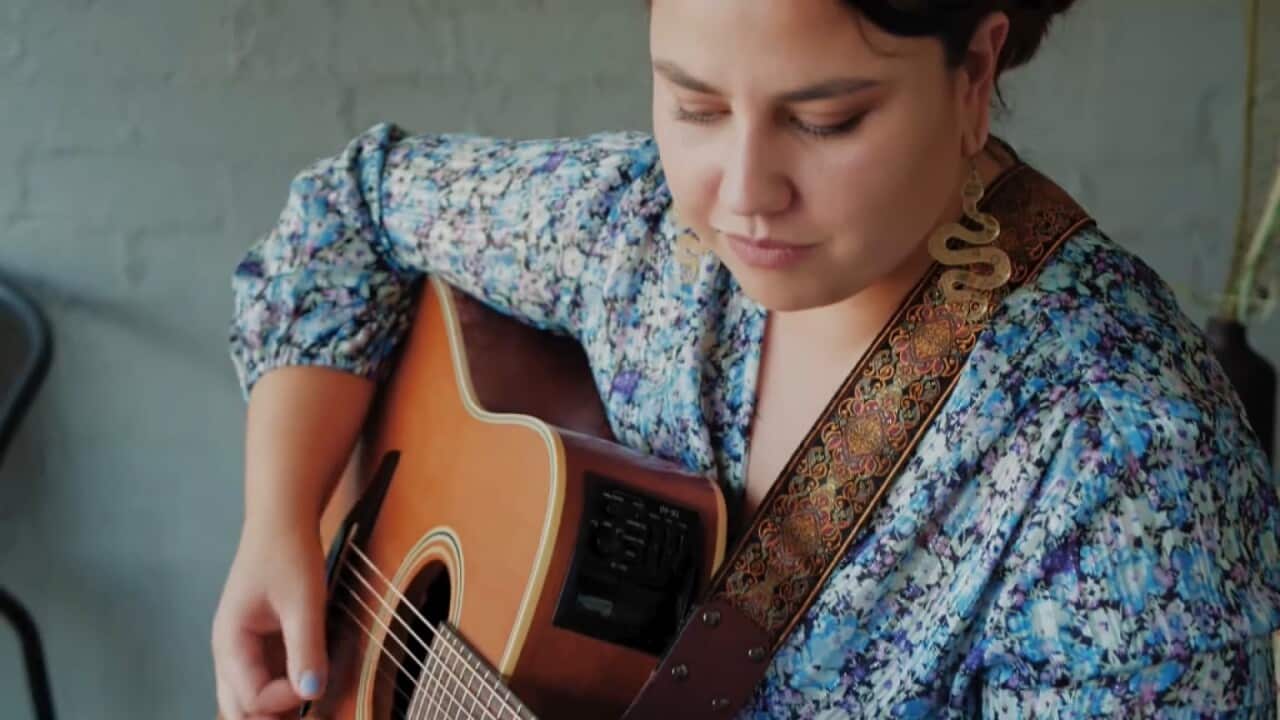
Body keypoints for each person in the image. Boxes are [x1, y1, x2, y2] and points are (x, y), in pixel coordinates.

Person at [211, 1, 1280, 717]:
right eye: (693, 105)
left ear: (975, 71)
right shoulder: (633, 230)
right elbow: (347, 214)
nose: (740, 192)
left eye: (823, 120)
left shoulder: (1123, 453)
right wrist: (279, 527)